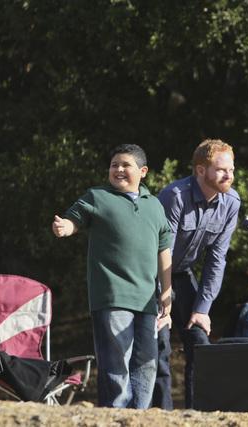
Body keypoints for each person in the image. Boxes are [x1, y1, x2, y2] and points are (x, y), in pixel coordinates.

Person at [52, 144, 172, 408]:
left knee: (147, 362)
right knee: (117, 362)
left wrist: (166, 293)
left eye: (125, 165)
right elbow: (75, 219)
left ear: (143, 172)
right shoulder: (97, 196)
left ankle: (137, 416)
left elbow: (164, 250)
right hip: (112, 296)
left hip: (146, 300)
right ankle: (115, 414)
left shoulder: (155, 206)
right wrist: (65, 227)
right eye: (114, 165)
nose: (118, 169)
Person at [152, 139, 241, 409]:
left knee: (200, 342)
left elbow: (217, 259)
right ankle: (161, 415)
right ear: (201, 171)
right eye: (222, 170)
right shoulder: (175, 196)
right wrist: (163, 303)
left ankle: (197, 415)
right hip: (151, 274)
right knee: (160, 344)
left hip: (182, 273)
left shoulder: (231, 202)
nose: (229, 176)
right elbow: (160, 251)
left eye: (232, 169)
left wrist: (202, 308)